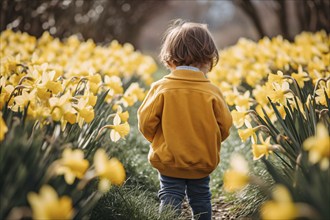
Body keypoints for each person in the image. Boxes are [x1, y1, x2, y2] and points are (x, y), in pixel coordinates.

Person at [137, 19, 233, 220]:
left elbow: (145, 123)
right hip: (201, 159)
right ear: (208, 59)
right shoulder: (212, 92)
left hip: (169, 158)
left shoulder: (161, 88)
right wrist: (207, 141)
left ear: (170, 59)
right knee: (201, 197)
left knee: (170, 195)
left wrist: (158, 140)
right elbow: (225, 127)